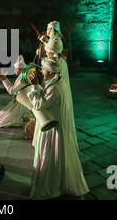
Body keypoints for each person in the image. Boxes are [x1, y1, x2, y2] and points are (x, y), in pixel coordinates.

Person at [26, 58, 88, 199]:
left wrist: (35, 86)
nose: (41, 71)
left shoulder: (55, 88)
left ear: (49, 71)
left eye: (43, 69)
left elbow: (38, 104)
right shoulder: (56, 81)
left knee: (49, 155)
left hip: (52, 128)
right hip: (52, 123)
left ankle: (51, 186)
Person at [0, 55, 33, 128]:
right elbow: (15, 87)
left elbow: (11, 91)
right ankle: (26, 117)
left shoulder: (23, 76)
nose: (15, 70)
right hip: (22, 99)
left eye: (16, 69)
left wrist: (4, 79)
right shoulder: (24, 73)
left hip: (23, 101)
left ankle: (25, 118)